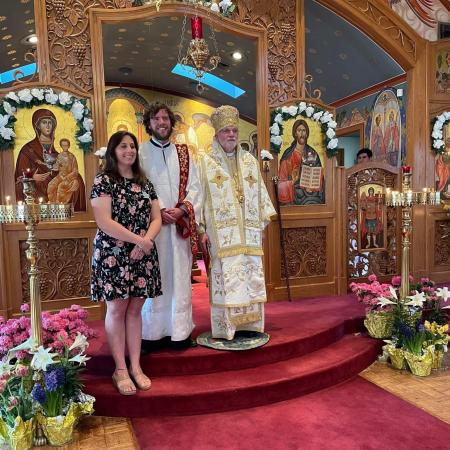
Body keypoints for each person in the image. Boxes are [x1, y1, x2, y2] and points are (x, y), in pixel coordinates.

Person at [90, 131, 162, 395]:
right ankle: (120, 368)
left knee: (135, 310)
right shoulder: (104, 180)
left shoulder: (145, 182)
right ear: (113, 151)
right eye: (123, 146)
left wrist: (146, 241)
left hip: (142, 254)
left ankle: (136, 366)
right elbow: (104, 222)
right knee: (117, 309)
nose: (129, 150)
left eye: (132, 146)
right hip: (114, 254)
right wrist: (138, 241)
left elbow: (156, 218)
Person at [197, 105, 276, 340]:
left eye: (234, 130)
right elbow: (198, 196)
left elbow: (260, 193)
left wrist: (260, 223)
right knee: (228, 279)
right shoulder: (206, 162)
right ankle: (226, 329)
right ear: (216, 134)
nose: (231, 135)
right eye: (225, 131)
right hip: (222, 235)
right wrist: (201, 228)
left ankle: (251, 326)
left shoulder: (250, 161)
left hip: (248, 234)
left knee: (250, 278)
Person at [140, 102, 202, 350]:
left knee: (179, 278)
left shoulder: (184, 154)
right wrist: (157, 212)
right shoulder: (140, 152)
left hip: (178, 229)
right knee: (154, 278)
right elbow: (135, 188)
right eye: (156, 119)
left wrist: (181, 210)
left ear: (171, 123)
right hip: (151, 230)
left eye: (165, 118)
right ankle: (151, 335)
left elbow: (196, 188)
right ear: (149, 124)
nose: (162, 123)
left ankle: (180, 333)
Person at [14, 109, 85, 211]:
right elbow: (19, 175)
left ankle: (70, 214)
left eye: (50, 123)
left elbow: (66, 171)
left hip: (57, 183)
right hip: (37, 186)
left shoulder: (60, 154)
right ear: (37, 126)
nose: (47, 126)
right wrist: (32, 176)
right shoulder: (28, 150)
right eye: (44, 122)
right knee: (22, 186)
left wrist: (75, 180)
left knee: (78, 179)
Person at [278, 119, 325, 205]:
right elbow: (281, 180)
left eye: (304, 131)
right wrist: (293, 182)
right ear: (295, 133)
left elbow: (319, 177)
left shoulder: (312, 152)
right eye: (299, 130)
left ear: (307, 133)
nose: (302, 134)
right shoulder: (288, 154)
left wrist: (312, 187)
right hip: (294, 192)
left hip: (311, 193)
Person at [47, 138, 86, 205]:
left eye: (66, 145)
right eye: (63, 145)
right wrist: (52, 166)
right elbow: (57, 167)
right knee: (51, 185)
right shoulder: (59, 156)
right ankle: (53, 203)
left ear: (69, 146)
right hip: (60, 176)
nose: (65, 147)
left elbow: (75, 170)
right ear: (61, 146)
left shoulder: (72, 157)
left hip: (69, 178)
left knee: (61, 186)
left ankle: (60, 205)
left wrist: (68, 177)